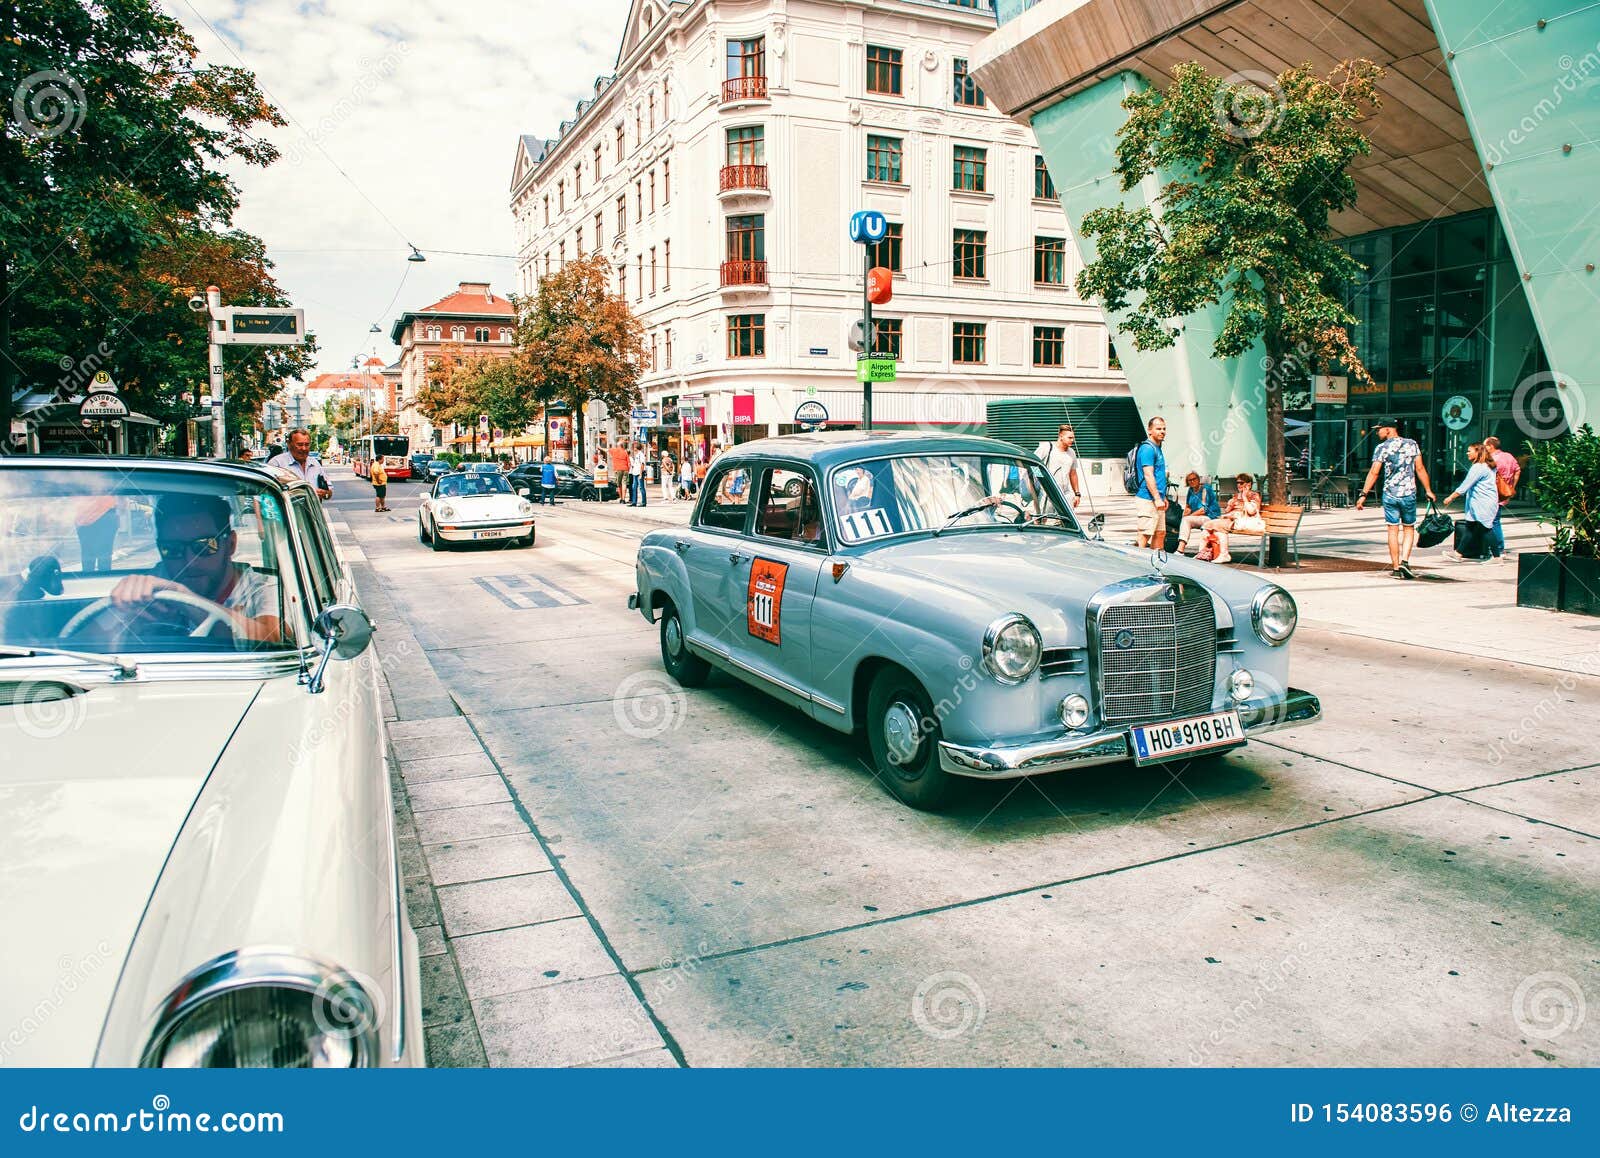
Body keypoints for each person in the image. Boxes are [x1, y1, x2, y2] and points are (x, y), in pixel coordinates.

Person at [108, 493, 281, 642]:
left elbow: (273, 639)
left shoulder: (260, 588)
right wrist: (126, 621)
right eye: (172, 549)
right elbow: (89, 639)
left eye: (205, 547)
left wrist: (184, 597)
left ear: (230, 544)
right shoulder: (155, 582)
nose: (190, 561)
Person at [1355, 417, 1436, 580]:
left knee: (1392, 530)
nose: (1377, 432)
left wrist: (1363, 494)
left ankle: (1396, 567)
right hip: (1408, 493)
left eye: (1379, 429)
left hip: (1390, 494)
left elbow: (1374, 472)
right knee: (1408, 528)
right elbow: (1419, 468)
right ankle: (1405, 561)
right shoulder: (1412, 444)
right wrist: (1428, 490)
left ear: (1389, 429)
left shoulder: (1381, 448)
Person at [1441, 443, 1499, 562]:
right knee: (1471, 527)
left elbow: (1465, 486)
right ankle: (1458, 553)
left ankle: (1497, 557)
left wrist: (1451, 497)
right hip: (1481, 502)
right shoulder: (1488, 466)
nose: (1467, 453)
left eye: (1469, 451)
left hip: (1483, 503)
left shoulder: (1478, 467)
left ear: (1478, 452)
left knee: (1486, 528)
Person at [1203, 474, 1263, 564]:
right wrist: (1230, 506)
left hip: (1243, 521)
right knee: (1209, 526)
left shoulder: (1254, 495)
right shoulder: (1236, 496)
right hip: (1232, 520)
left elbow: (1251, 511)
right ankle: (1206, 553)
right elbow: (1227, 511)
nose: (1238, 485)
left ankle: (1221, 554)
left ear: (1249, 484)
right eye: (1237, 483)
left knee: (1212, 525)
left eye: (1241, 483)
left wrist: (1244, 497)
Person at [1134, 416, 1169, 550]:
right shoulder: (1148, 449)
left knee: (1160, 533)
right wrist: (1157, 498)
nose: (1162, 431)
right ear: (1149, 431)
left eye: (1164, 429)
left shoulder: (1157, 448)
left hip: (1157, 498)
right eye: (1158, 428)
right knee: (1145, 532)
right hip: (1147, 498)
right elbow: (1148, 475)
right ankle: (1140, 560)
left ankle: (1156, 561)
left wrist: (1163, 497)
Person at [267, 428, 333, 500]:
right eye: (300, 444)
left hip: (313, 510)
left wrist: (324, 494)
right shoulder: (277, 464)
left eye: (307, 445)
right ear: (289, 445)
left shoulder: (315, 464)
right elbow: (268, 495)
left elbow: (328, 494)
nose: (304, 448)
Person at [1484, 435, 1521, 561]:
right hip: (1503, 493)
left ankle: (1498, 548)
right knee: (1495, 520)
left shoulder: (1492, 459)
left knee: (1492, 521)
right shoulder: (1509, 456)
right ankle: (1496, 547)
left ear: (1491, 446)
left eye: (1485, 445)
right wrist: (1511, 487)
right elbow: (1517, 470)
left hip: (1491, 493)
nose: (1483, 448)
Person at [1036, 424, 1083, 508]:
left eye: (1073, 437)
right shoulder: (1047, 448)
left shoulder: (1072, 452)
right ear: (1061, 436)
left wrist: (1077, 494)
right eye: (1070, 438)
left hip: (1065, 494)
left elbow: (1073, 473)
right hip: (1047, 493)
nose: (1072, 440)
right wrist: (1043, 482)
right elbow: (1033, 465)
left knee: (1067, 520)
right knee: (1042, 519)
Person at [1175, 471, 1221, 554]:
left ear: (1198, 479)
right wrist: (1184, 515)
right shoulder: (1190, 490)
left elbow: (1203, 510)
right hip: (1199, 517)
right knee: (1184, 520)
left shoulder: (1205, 489)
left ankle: (1180, 549)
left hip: (1211, 517)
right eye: (1190, 480)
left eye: (1194, 479)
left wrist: (1188, 517)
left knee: (1186, 520)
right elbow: (1188, 507)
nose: (1192, 481)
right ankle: (1183, 548)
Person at [74, 495, 119, 572]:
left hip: (85, 516)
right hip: (106, 513)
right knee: (105, 552)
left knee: (87, 551)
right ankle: (104, 576)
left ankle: (88, 576)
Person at [608, 440, 632, 505]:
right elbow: (629, 463)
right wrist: (628, 470)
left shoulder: (614, 450)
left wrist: (599, 448)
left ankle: (621, 498)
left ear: (619, 445)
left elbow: (607, 450)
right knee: (624, 484)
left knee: (619, 485)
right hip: (625, 469)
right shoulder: (625, 452)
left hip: (618, 469)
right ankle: (624, 499)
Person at [630, 443, 648, 508]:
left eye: (634, 447)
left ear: (636, 448)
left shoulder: (641, 455)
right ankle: (634, 502)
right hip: (635, 473)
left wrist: (640, 474)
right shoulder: (637, 455)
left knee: (641, 487)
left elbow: (642, 464)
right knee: (634, 487)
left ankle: (643, 502)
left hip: (639, 473)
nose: (633, 449)